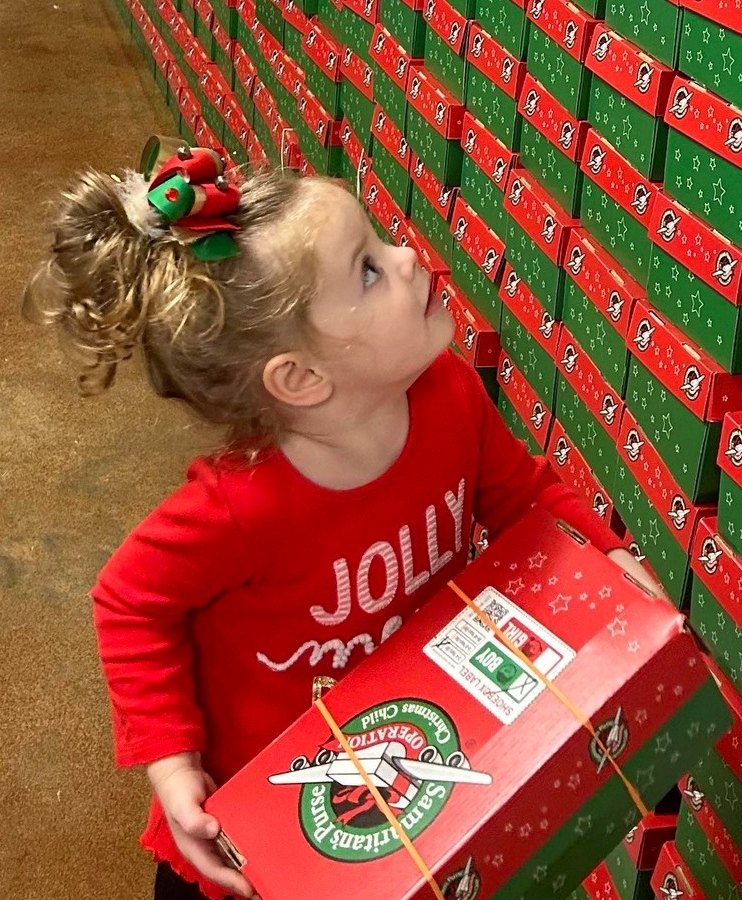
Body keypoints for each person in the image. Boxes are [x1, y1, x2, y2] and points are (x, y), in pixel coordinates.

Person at [24, 138, 660, 900]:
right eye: (368, 267)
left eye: (382, 241)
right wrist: (172, 762)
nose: (407, 258)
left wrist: (605, 559)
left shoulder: (451, 394)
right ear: (300, 377)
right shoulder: (238, 507)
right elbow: (130, 601)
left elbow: (524, 499)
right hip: (259, 819)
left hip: (397, 774)